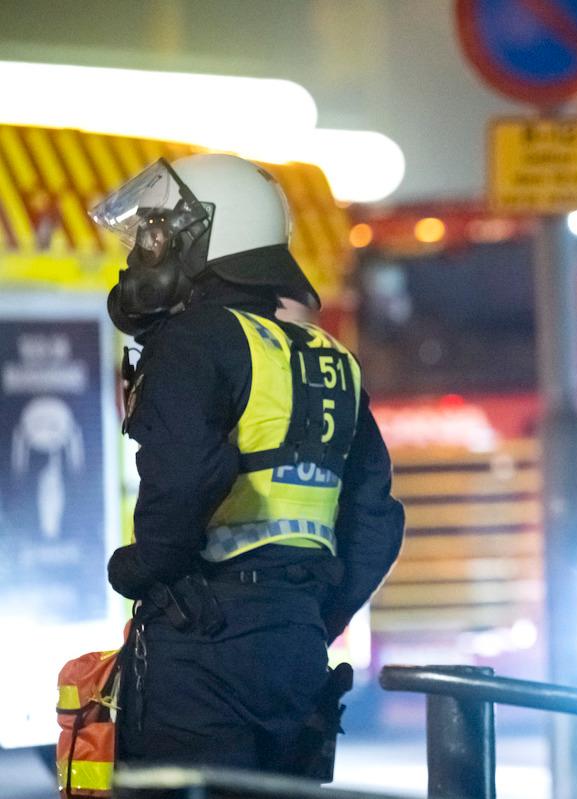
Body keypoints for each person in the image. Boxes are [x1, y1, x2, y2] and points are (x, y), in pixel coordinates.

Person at [89, 154, 405, 777]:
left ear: (211, 236)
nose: (143, 254)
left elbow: (187, 480)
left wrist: (139, 567)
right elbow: (376, 522)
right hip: (296, 650)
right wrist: (310, 619)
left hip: (202, 651)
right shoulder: (330, 357)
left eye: (157, 235)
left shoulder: (192, 342)